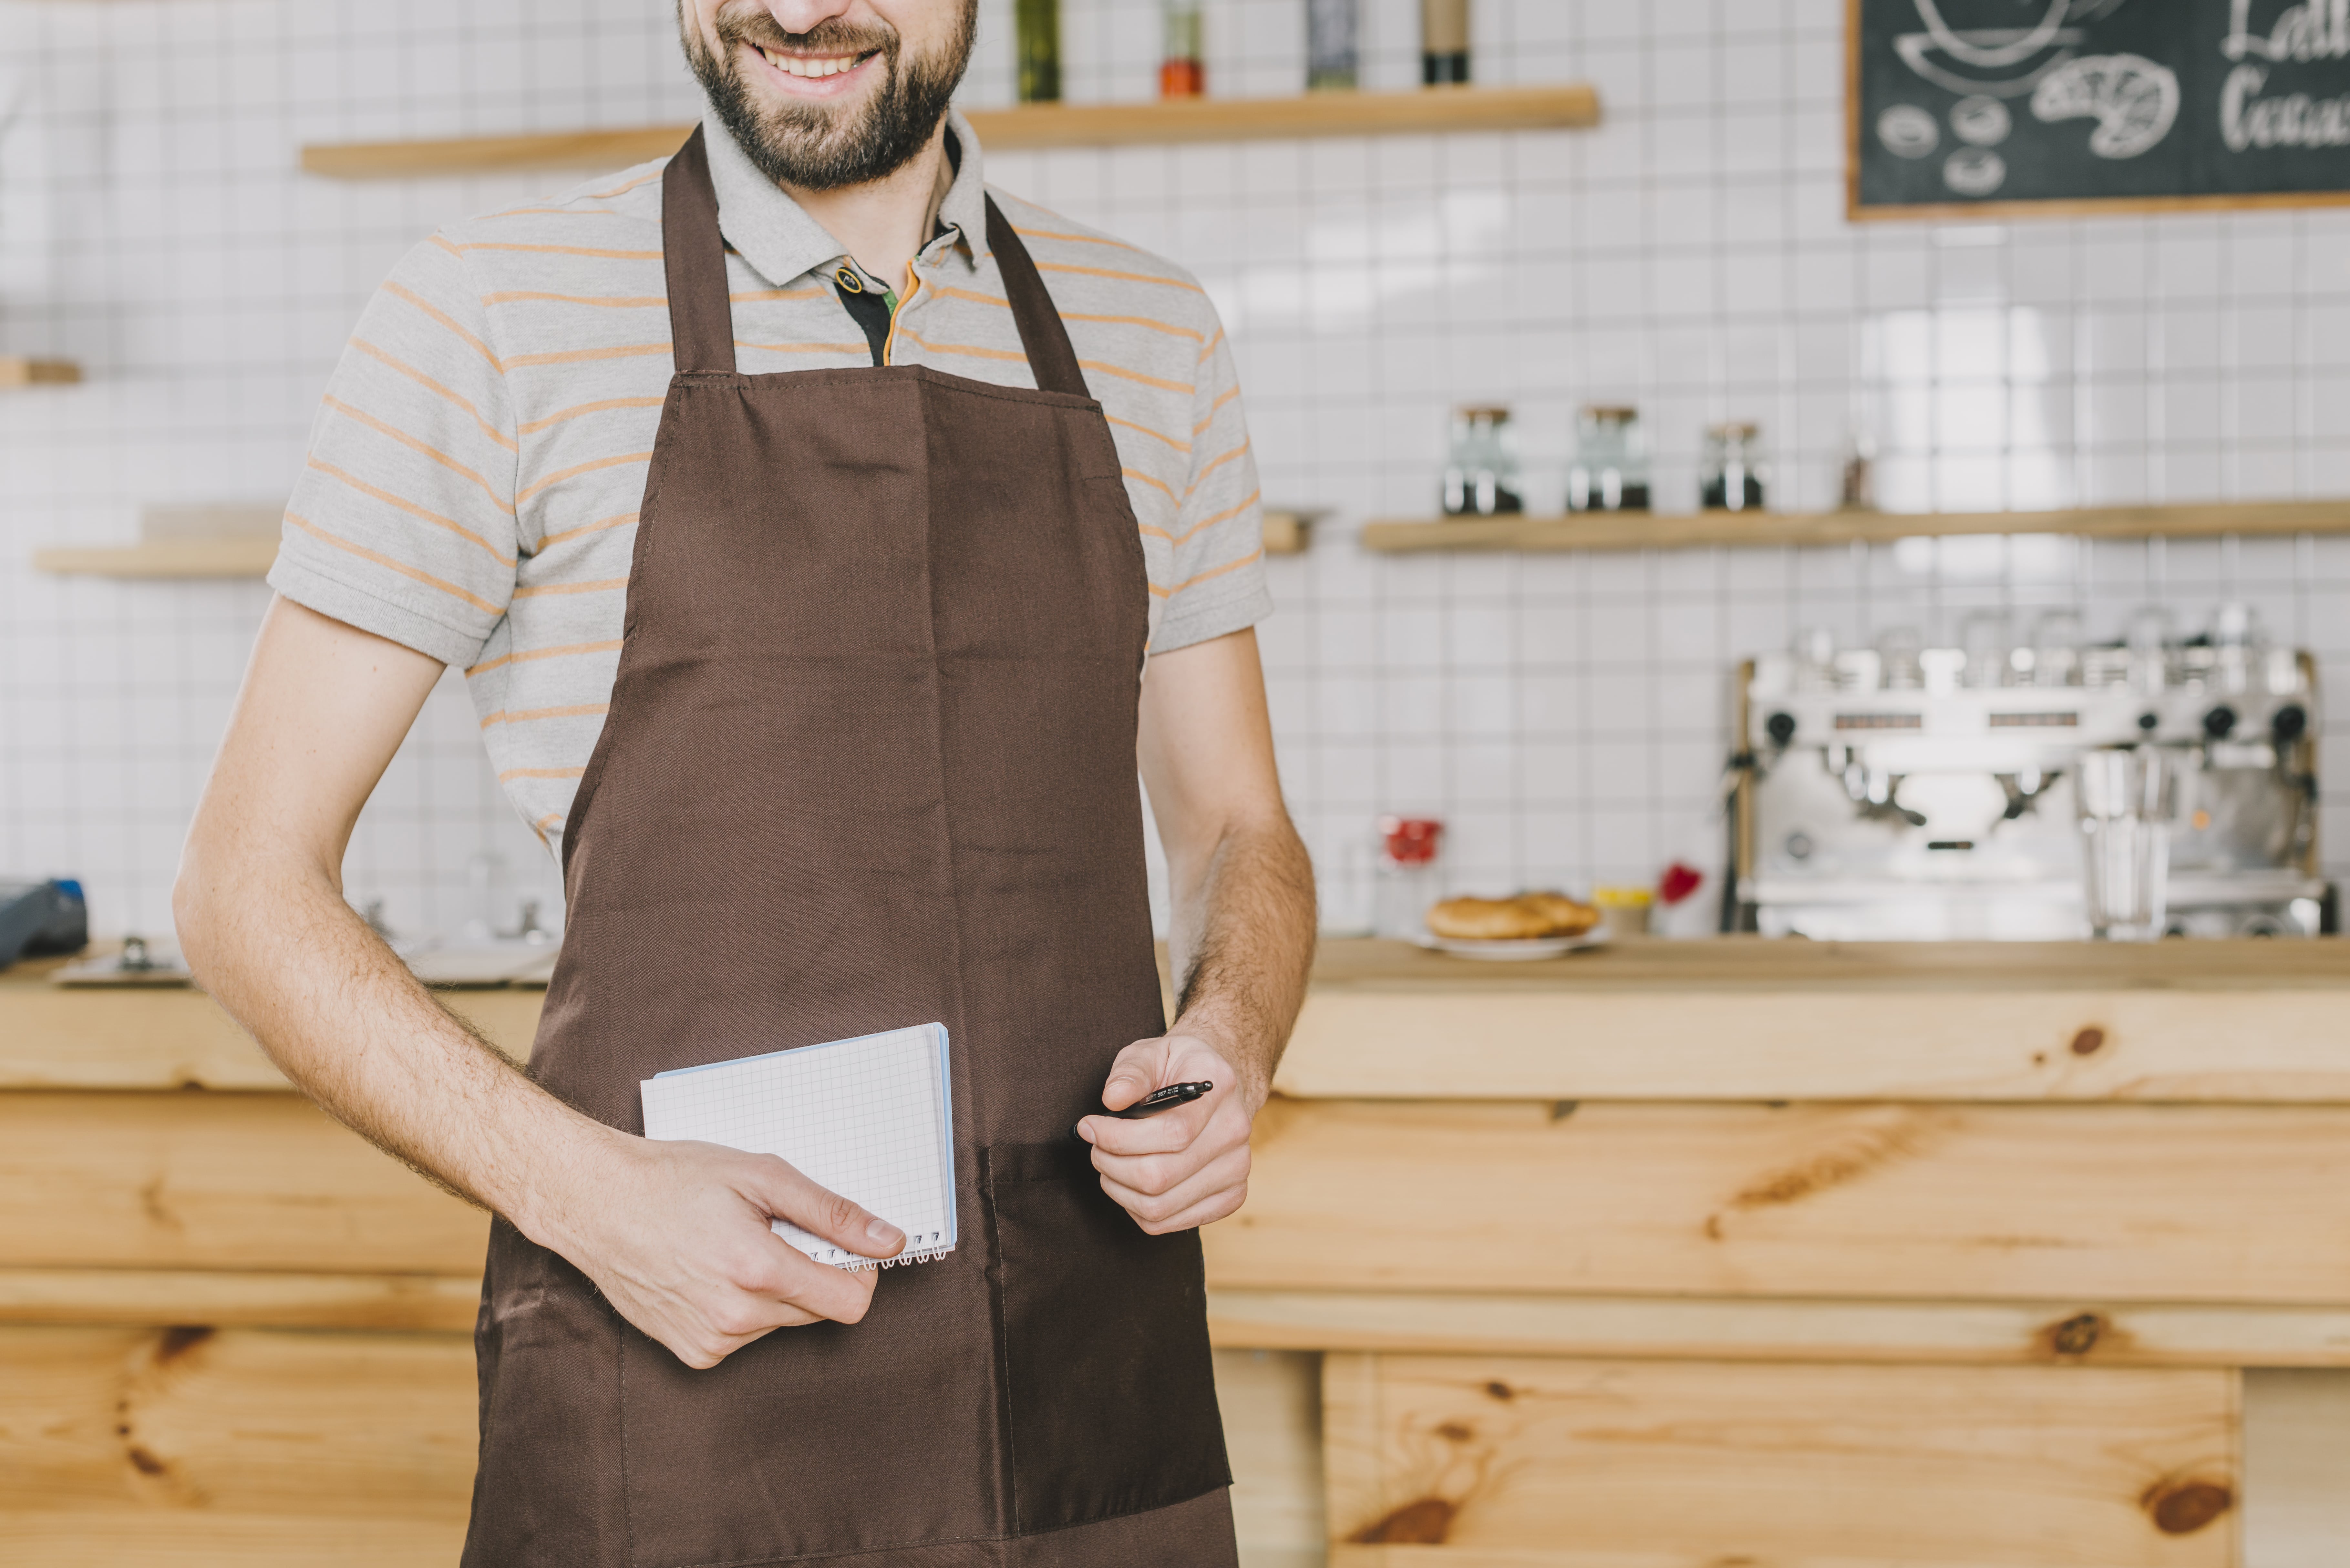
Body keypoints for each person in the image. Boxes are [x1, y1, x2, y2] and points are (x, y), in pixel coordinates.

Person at [172, 1, 1316, 1562]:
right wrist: (588, 1203)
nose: (800, 4)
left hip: (1079, 1374)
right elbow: (244, 886)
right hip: (678, 1378)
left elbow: (1239, 824)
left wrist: (1232, 1037)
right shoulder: (489, 313)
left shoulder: (1151, 331)